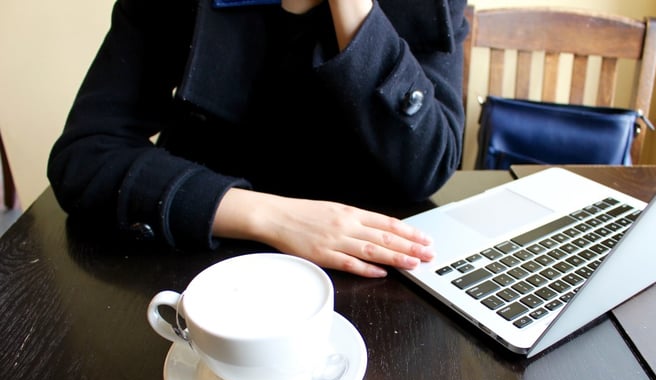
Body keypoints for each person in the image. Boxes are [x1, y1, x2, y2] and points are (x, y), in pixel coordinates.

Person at [48, 0, 468, 278]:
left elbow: (429, 162)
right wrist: (272, 217)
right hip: (203, 264)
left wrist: (354, 9)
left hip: (376, 271)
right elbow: (85, 155)